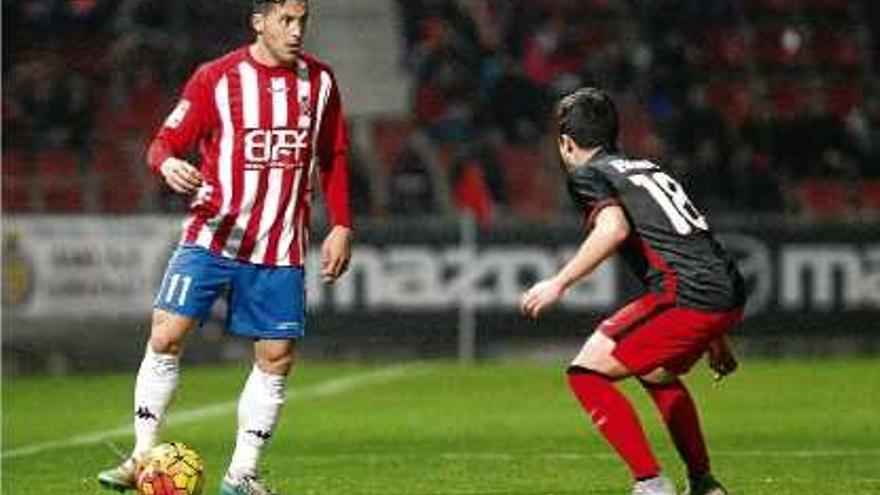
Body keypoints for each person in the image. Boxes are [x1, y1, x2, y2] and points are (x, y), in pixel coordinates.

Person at [97, 1, 353, 494]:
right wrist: (166, 165)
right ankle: (142, 456)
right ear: (258, 21)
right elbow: (163, 142)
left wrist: (342, 223)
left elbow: (333, 156)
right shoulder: (216, 78)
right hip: (213, 235)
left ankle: (242, 475)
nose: (296, 31)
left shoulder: (320, 83)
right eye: (286, 20)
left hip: (279, 245)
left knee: (276, 356)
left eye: (302, 21)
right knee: (167, 332)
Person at [520, 87, 745, 495]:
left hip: (688, 294)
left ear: (566, 143)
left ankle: (650, 484)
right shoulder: (646, 167)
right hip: (723, 289)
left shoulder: (590, 174)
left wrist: (558, 282)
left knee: (586, 373)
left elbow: (613, 230)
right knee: (656, 371)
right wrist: (716, 332)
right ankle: (704, 484)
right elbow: (692, 240)